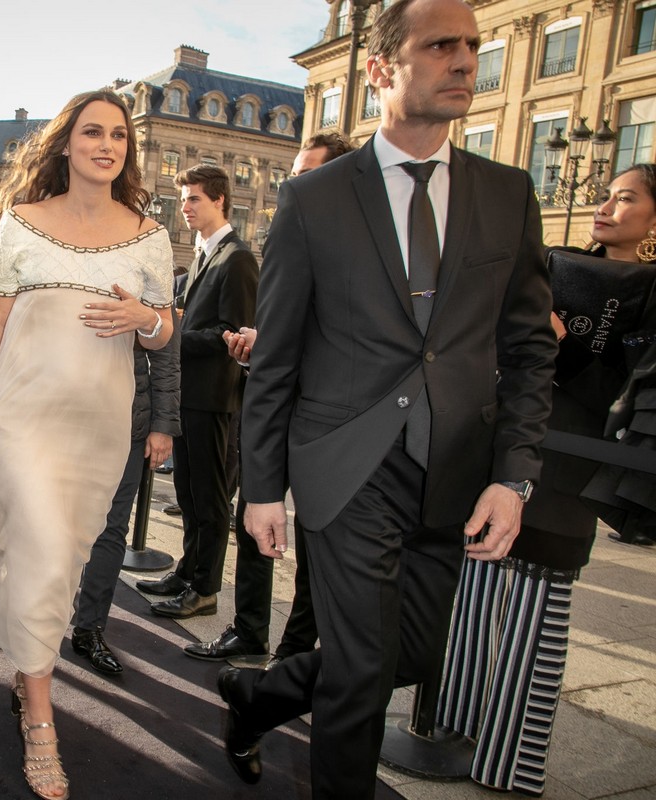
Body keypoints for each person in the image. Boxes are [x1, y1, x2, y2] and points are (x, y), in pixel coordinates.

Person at [217, 1, 557, 797]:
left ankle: (256, 695)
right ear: (380, 70)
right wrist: (262, 487)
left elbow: (530, 350)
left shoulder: (509, 195)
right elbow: (279, 357)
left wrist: (515, 477)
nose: (466, 60)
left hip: (457, 472)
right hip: (347, 467)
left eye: (474, 45)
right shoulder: (316, 198)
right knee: (363, 673)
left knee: (410, 655)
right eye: (442, 45)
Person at [0, 89, 174, 799]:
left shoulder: (149, 233)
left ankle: (26, 666)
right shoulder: (22, 220)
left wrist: (143, 314)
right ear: (65, 143)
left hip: (98, 422)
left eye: (118, 134)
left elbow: (164, 333)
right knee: (44, 548)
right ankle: (40, 718)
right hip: (22, 414)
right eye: (92, 131)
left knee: (58, 562)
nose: (106, 144)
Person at [437, 163, 656, 796]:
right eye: (605, 195)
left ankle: (510, 765)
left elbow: (629, 394)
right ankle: (454, 728)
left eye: (626, 199)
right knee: (474, 596)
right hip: (502, 449)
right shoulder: (555, 265)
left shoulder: (651, 291)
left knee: (538, 614)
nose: (607, 207)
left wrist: (564, 347)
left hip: (569, 473)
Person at [221, 131, 356, 668]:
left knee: (318, 553)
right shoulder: (290, 233)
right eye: (291, 174)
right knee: (253, 522)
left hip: (335, 424)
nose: (290, 185)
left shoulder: (365, 248)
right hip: (280, 410)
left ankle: (293, 661)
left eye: (306, 173)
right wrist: (262, 347)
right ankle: (251, 632)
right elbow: (287, 326)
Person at [138, 166, 259, 644]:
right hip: (192, 396)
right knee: (188, 494)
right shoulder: (208, 255)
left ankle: (205, 589)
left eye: (193, 200)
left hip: (215, 400)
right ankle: (187, 573)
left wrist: (175, 334)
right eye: (184, 200)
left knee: (209, 501)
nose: (184, 208)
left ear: (220, 201)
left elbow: (236, 333)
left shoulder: (239, 259)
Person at [71, 311, 180, 675]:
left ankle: (90, 628)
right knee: (51, 522)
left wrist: (163, 425)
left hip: (127, 420)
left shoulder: (145, 259)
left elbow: (166, 352)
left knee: (112, 527)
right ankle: (37, 619)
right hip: (62, 412)